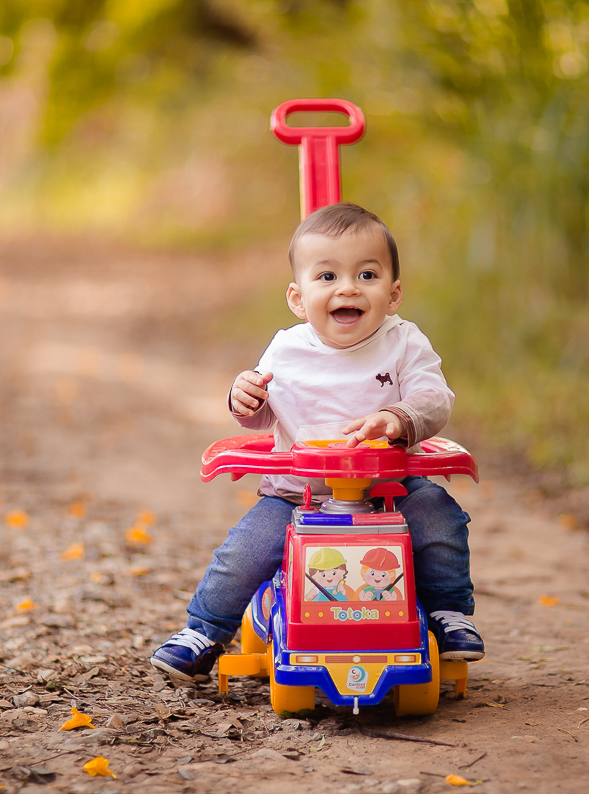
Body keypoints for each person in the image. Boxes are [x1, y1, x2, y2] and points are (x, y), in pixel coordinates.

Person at [149, 202, 484, 683]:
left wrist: (398, 417)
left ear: (393, 294)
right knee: (245, 551)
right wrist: (244, 398)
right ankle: (204, 630)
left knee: (440, 517)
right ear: (298, 298)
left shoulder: (405, 342)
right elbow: (266, 413)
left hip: (391, 490)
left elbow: (435, 399)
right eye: (327, 276)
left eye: (367, 274)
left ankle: (449, 614)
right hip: (298, 492)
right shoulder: (287, 349)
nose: (347, 287)